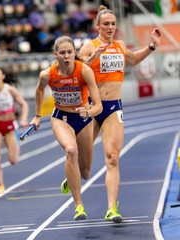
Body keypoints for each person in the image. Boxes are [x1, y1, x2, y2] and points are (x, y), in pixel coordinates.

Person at [61, 5, 161, 223]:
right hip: (91, 107)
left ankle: (111, 209)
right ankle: (73, 174)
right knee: (85, 169)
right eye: (105, 24)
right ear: (98, 26)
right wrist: (92, 57)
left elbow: (133, 59)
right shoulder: (89, 45)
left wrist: (151, 47)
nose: (110, 27)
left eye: (113, 24)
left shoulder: (120, 45)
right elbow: (72, 72)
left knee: (113, 158)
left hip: (113, 108)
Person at [29, 36, 102, 220]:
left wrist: (90, 112)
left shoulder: (84, 71)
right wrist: (37, 116)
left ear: (74, 53)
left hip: (84, 118)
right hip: (61, 118)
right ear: (56, 55)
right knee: (71, 150)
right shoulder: (47, 74)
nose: (67, 56)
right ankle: (78, 205)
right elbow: (39, 90)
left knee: (85, 172)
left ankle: (72, 177)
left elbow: (98, 106)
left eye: (70, 52)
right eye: (62, 53)